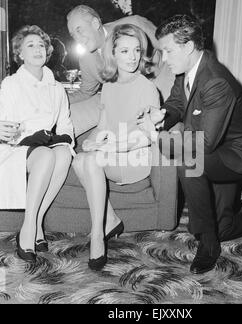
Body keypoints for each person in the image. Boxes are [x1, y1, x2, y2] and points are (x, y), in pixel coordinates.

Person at [137, 15, 242, 275]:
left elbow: (204, 143)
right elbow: (178, 103)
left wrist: (155, 137)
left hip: (238, 156)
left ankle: (208, 245)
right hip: (217, 153)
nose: (163, 59)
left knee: (189, 161)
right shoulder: (187, 69)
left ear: (188, 46)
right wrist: (162, 114)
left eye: (167, 51)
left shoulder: (215, 81)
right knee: (222, 227)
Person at [72, 24, 160, 271]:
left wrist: (112, 146)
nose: (132, 57)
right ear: (113, 53)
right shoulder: (109, 86)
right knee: (79, 159)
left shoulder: (147, 88)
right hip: (112, 155)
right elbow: (103, 126)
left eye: (136, 50)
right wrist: (94, 140)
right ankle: (109, 218)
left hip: (135, 158)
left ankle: (97, 234)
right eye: (124, 51)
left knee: (89, 160)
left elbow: (146, 138)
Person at [0, 25, 74, 263]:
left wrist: (61, 138)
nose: (37, 49)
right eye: (30, 45)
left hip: (45, 147)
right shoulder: (11, 84)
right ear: (19, 53)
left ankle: (34, 222)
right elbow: (5, 126)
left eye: (41, 45)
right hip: (16, 148)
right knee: (45, 155)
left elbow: (64, 125)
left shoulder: (56, 88)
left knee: (63, 154)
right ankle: (30, 231)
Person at [66, 4, 174, 137]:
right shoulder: (86, 59)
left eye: (79, 30)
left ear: (95, 23)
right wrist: (56, 97)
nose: (76, 38)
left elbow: (169, 47)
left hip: (158, 81)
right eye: (72, 34)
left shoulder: (134, 24)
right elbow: (86, 92)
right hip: (124, 98)